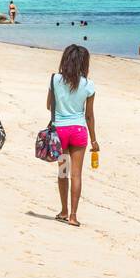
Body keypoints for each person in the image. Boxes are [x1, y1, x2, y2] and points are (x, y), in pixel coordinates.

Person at [46, 44, 99, 227]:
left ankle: (63, 210)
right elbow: (89, 116)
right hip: (78, 131)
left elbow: (48, 106)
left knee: (63, 172)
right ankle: (74, 216)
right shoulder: (88, 84)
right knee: (76, 174)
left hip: (60, 131)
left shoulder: (55, 79)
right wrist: (94, 140)